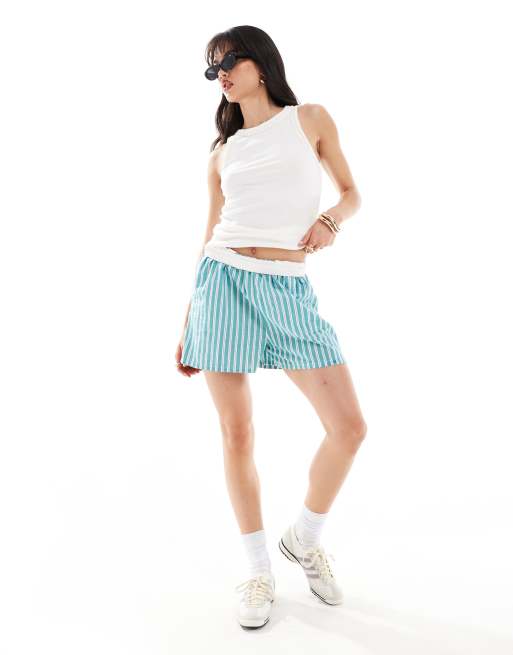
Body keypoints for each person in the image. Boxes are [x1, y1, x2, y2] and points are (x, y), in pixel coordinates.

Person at [175, 26, 367, 630]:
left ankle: (304, 538)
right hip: (223, 284)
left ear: (261, 62)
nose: (222, 74)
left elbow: (352, 193)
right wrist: (189, 317)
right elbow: (210, 233)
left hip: (287, 286)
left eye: (229, 61)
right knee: (237, 433)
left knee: (349, 428)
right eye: (213, 69)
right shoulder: (221, 154)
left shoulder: (309, 120)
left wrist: (331, 222)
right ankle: (258, 569)